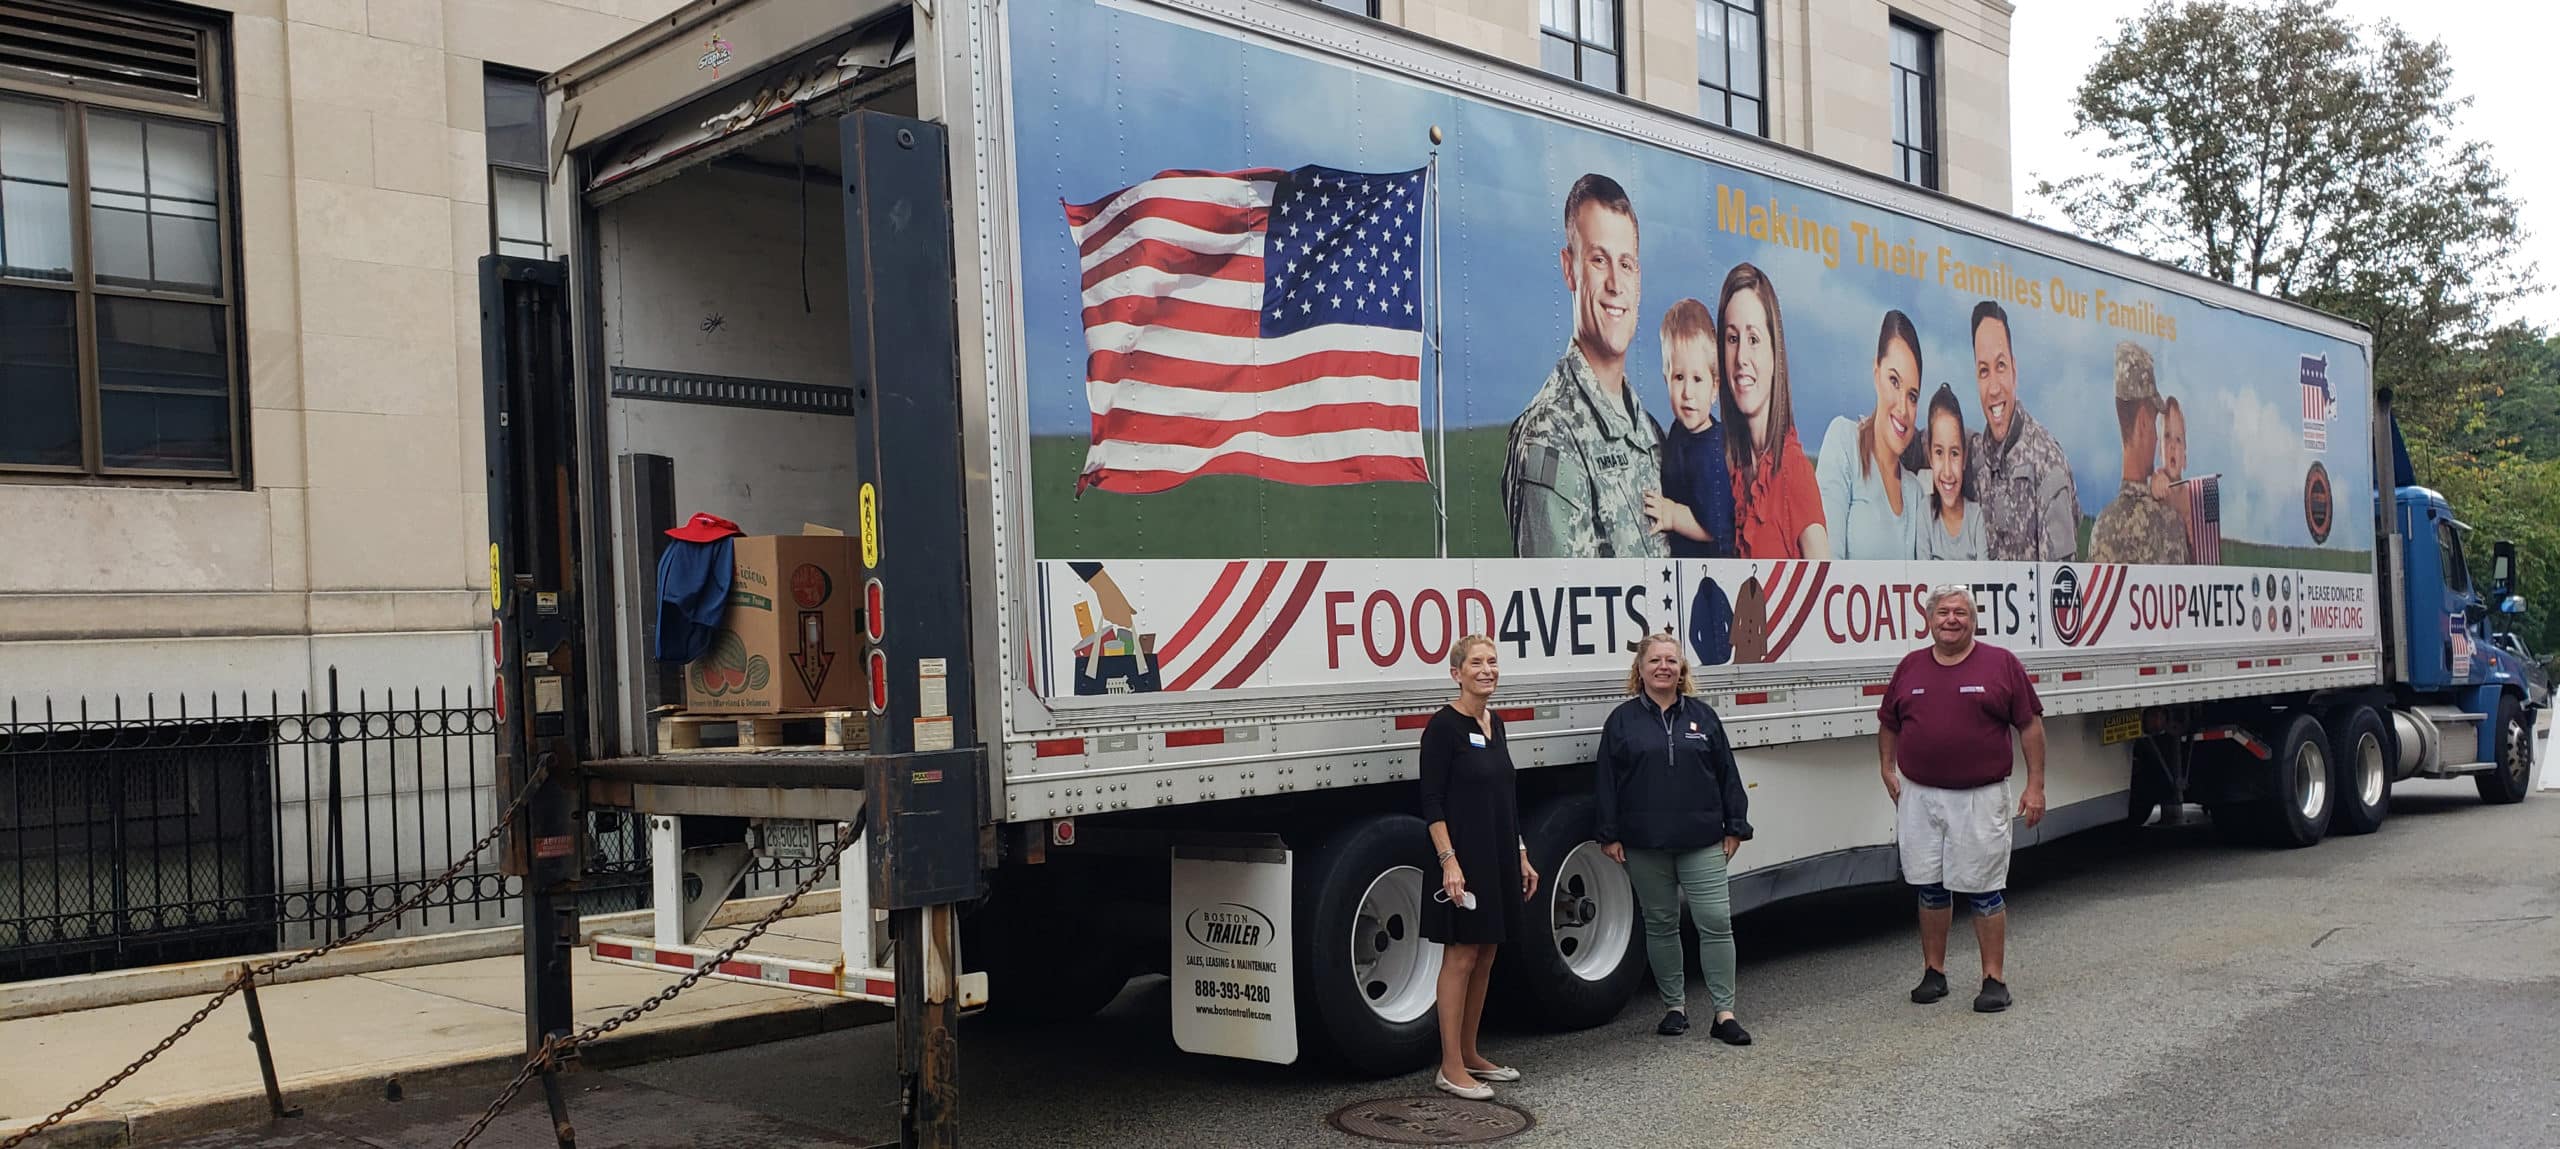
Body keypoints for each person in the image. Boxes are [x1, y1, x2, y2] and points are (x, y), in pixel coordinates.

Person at [1877, 585, 2047, 1014]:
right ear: (1929, 620)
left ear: (1973, 620)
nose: (1951, 619)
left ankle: (1993, 979)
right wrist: (1887, 767)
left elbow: (2030, 726)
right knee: (1930, 886)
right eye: (1943, 613)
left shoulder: (2000, 664)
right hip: (1921, 796)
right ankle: (1934, 973)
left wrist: (2035, 785)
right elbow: (1888, 722)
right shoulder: (1910, 667)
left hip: (1980, 796)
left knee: (1985, 889)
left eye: (1960, 613)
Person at [1596, 633, 1755, 1044]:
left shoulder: (1703, 716)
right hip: (1645, 842)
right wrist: (1609, 834)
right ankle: (1674, 1008)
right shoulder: (1622, 721)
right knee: (1661, 924)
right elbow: (1607, 783)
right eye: (1655, 661)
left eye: (1672, 660)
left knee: (1716, 923)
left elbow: (1726, 773)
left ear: (1682, 669)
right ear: (1640, 669)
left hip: (1702, 839)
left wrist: (1736, 825)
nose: (1663, 667)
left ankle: (1724, 1013)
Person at [1502, 173, 1668, 559]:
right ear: (1569, 267)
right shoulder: (1550, 433)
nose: (1615, 283)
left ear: (1638, 280)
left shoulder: (1651, 433)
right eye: (1598, 260)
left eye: (1626, 264)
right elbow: (1557, 609)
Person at [1419, 635, 1539, 1099]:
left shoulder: (1495, 722)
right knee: (1461, 954)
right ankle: (1449, 1067)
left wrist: (1522, 852)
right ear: (1456, 673)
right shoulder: (1443, 728)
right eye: (1476, 663)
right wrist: (1449, 861)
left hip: (1498, 854)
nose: (1486, 670)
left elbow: (1506, 796)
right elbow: (1430, 800)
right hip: (1463, 860)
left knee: (1487, 952)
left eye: (1492, 662)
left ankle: (1471, 1055)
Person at [1717, 263, 1829, 559]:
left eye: (1753, 340)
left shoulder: (1793, 472)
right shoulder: (1728, 471)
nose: (1741, 357)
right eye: (1732, 339)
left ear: (1774, 353)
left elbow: (1826, 592)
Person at [1965, 302, 2080, 562]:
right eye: (1984, 371)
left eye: (2000, 366)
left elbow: (2061, 589)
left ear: (2014, 371)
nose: (1993, 387)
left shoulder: (2048, 463)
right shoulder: (1974, 459)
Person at [1817, 310, 1928, 559]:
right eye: (1894, 381)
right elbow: (1826, 563)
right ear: (1876, 373)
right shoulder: (1844, 442)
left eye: (1912, 396)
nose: (1902, 408)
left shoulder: (1915, 494)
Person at [1644, 299, 1737, 557]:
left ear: (1714, 388)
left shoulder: (1712, 452)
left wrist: (1672, 515)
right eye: (1678, 378)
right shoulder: (1677, 431)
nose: (1688, 393)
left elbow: (1716, 528)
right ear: (1666, 380)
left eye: (1698, 379)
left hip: (1710, 569)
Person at [2089, 342, 2191, 564]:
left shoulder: (2104, 527)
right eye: (2156, 426)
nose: (2156, 438)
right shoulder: (2168, 523)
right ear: (2144, 422)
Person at [1918, 384, 1986, 561]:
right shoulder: (1924, 514)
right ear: (1931, 458)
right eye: (1939, 453)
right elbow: (1922, 580)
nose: (1947, 471)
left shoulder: (1976, 517)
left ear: (1964, 459)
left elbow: (1985, 579)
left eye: (1954, 453)